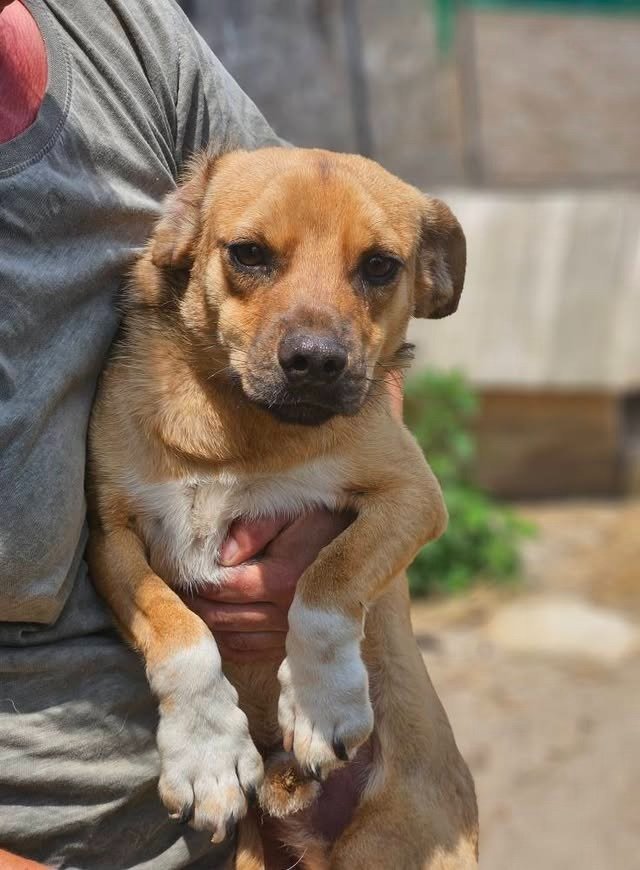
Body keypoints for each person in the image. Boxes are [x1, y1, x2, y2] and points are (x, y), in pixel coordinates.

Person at [0, 0, 365, 866]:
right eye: (247, 258)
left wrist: (320, 561)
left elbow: (348, 306)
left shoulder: (123, 30)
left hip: (274, 785)